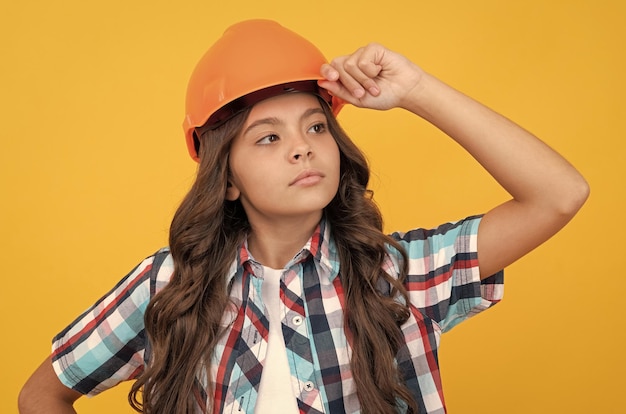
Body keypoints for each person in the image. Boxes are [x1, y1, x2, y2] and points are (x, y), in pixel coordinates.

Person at [18, 19, 589, 414]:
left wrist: (415, 89)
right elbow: (42, 393)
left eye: (316, 126)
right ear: (229, 179)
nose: (302, 147)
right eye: (268, 137)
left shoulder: (399, 274)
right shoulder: (169, 287)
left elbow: (559, 194)